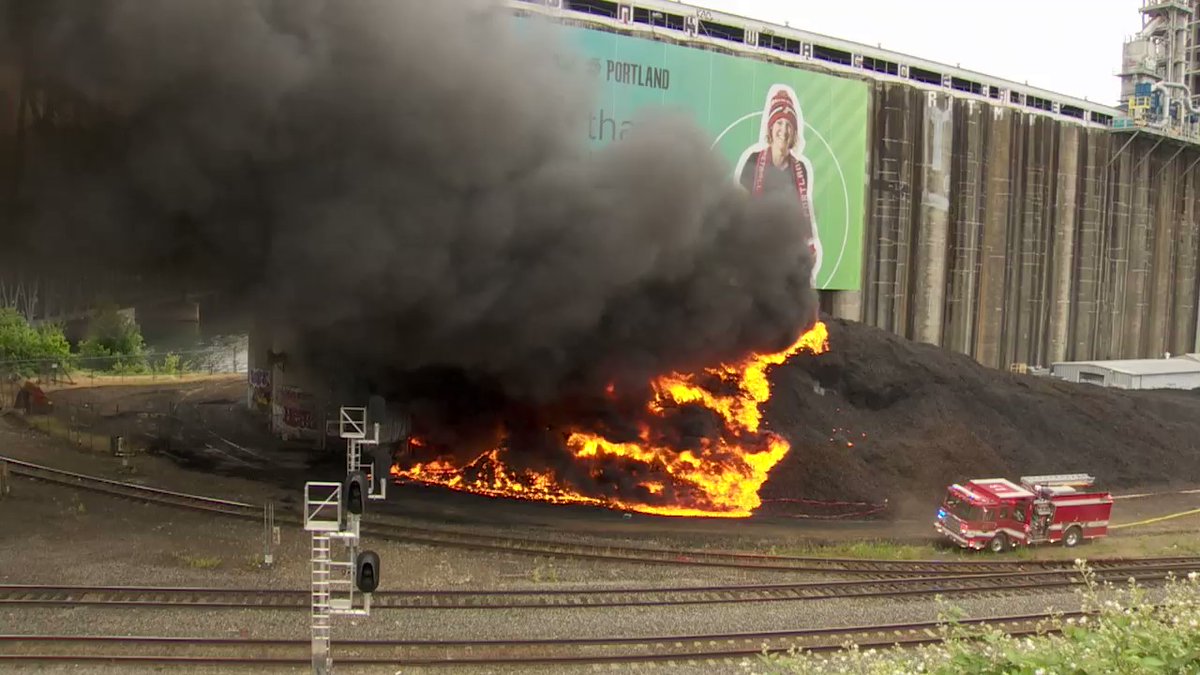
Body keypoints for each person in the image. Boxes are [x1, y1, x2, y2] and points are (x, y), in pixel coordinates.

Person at [737, 86, 822, 287]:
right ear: (770, 127)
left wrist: (809, 246)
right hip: (756, 249)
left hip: (786, 253)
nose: (783, 130)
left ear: (794, 133)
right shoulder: (753, 160)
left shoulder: (800, 168)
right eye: (779, 123)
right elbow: (738, 206)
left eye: (788, 125)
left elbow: (803, 212)